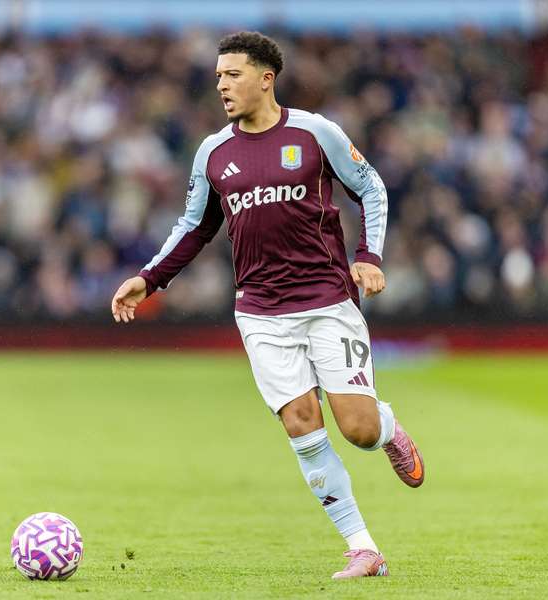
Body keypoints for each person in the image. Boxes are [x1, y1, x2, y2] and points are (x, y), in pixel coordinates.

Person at [110, 31, 424, 580]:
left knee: (357, 429)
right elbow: (194, 227)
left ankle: (389, 427)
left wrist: (369, 255)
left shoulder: (314, 132)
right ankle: (362, 548)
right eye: (217, 78)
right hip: (260, 312)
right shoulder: (214, 152)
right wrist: (149, 278)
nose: (222, 87)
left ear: (265, 78)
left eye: (232, 75)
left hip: (328, 300)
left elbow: (371, 188)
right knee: (302, 424)